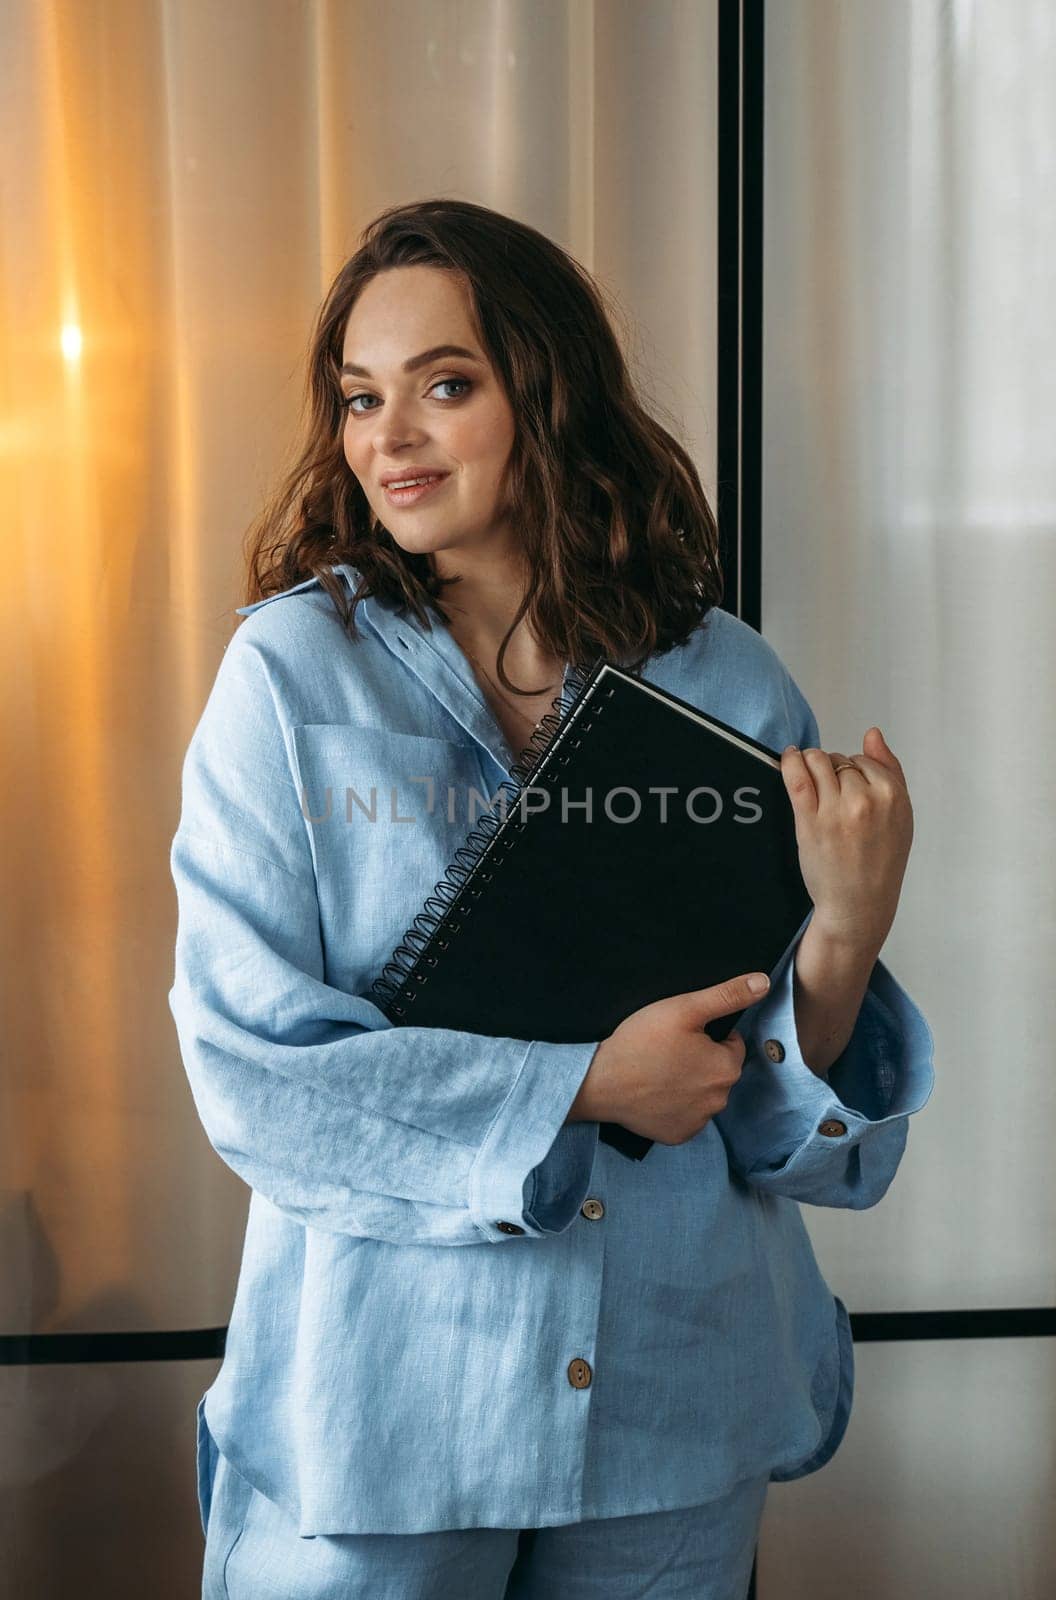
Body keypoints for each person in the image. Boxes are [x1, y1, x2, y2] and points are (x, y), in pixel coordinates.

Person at [169, 197, 935, 1599]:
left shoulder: (727, 683)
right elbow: (253, 1073)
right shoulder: (289, 678)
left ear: (549, 390)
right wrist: (583, 1084)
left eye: (444, 385)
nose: (388, 436)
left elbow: (767, 1106)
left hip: (673, 1399)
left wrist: (848, 927)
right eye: (359, 397)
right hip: (388, 1415)